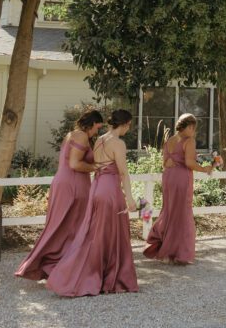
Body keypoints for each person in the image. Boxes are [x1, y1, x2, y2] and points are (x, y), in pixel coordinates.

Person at [46, 109, 138, 296]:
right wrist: (130, 198)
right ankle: (113, 278)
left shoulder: (99, 139)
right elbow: (123, 173)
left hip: (96, 187)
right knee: (113, 233)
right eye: (129, 125)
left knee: (94, 233)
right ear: (126, 124)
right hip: (110, 189)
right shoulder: (117, 143)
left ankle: (93, 274)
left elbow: (97, 165)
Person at [15, 109, 104, 281]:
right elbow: (75, 164)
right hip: (73, 184)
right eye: (97, 127)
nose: (97, 131)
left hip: (65, 182)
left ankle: (60, 265)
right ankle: (58, 265)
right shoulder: (81, 136)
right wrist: (97, 167)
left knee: (64, 226)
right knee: (70, 225)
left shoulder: (71, 134)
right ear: (91, 123)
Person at [144, 113, 213, 265]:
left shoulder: (169, 140)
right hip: (181, 178)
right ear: (189, 127)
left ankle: (166, 249)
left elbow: (165, 163)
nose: (194, 132)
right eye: (193, 128)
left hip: (168, 177)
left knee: (169, 210)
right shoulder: (189, 140)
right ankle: (180, 253)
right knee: (182, 212)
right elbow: (189, 163)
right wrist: (205, 168)